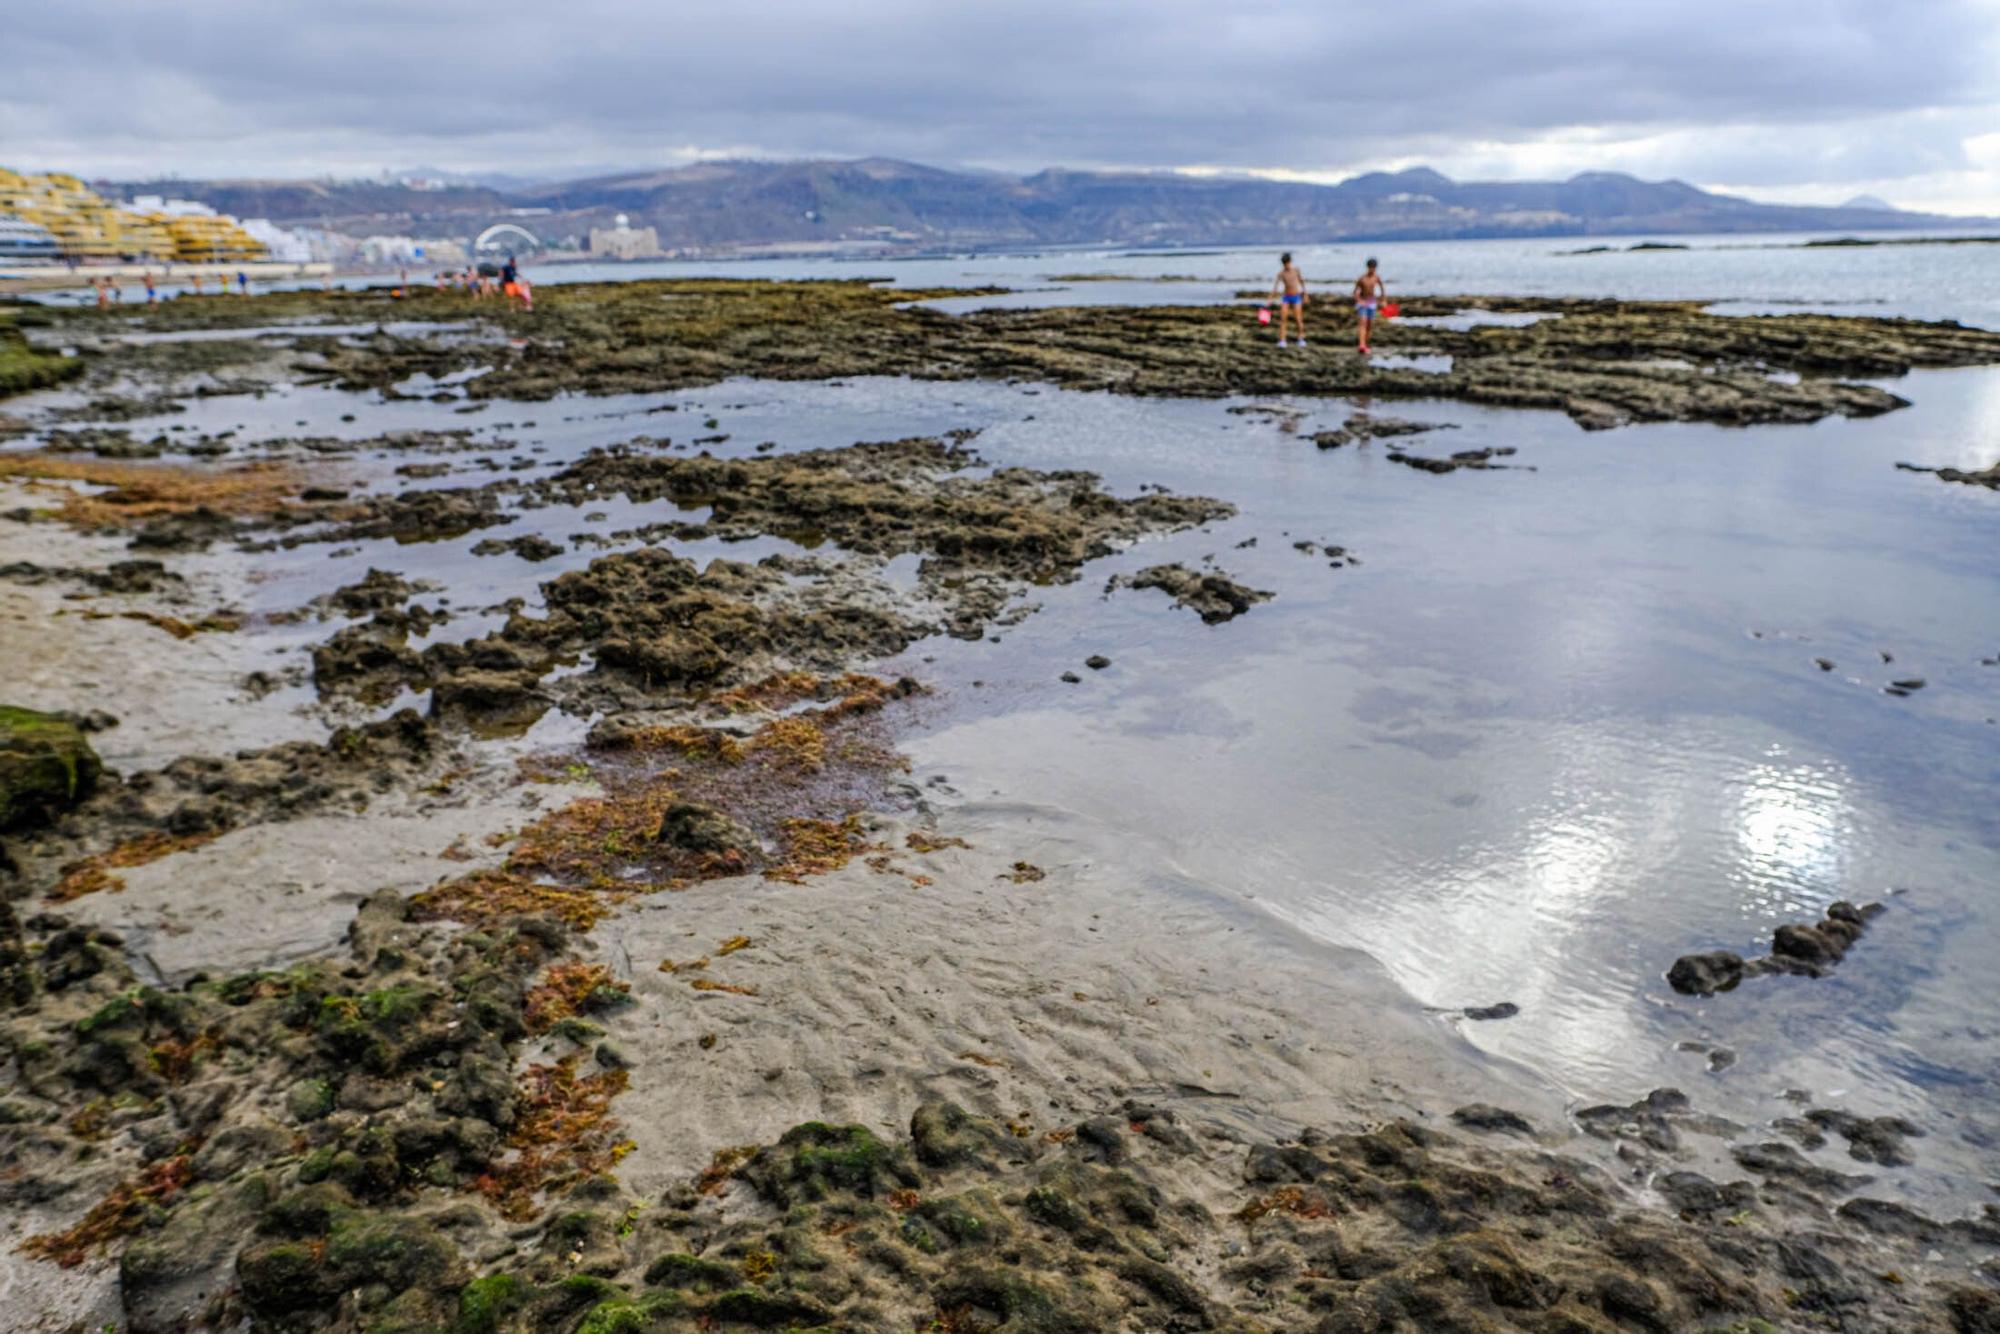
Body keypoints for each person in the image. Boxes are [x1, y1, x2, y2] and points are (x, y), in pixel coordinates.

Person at [1269, 252, 1307, 348]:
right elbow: (1275, 287)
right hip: (1286, 297)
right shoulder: (1281, 273)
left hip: (1296, 297)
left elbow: (1302, 282)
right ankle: (1282, 340)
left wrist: (1305, 294)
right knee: (1283, 319)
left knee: (1298, 319)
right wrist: (1270, 299)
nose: (1286, 265)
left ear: (1290, 261)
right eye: (1284, 263)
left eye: (1287, 263)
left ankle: (1301, 339)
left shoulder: (1296, 270)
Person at [1353, 258, 1387, 355]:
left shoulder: (1376, 278)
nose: (1372, 269)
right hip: (1363, 303)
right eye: (1371, 267)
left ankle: (1366, 345)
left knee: (1369, 325)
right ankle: (1361, 345)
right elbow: (1355, 293)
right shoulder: (1362, 278)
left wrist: (1383, 300)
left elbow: (1382, 288)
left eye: (1374, 268)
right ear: (1368, 267)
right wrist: (1360, 301)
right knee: (1362, 324)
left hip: (1372, 302)